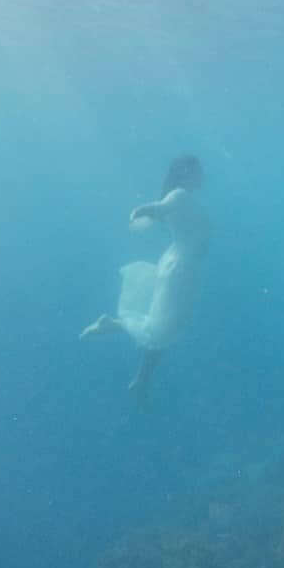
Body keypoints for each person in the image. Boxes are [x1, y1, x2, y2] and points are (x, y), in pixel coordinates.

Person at [80, 154, 211, 401]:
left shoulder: (183, 197)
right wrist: (139, 213)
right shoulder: (179, 195)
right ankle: (138, 374)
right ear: (186, 173)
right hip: (181, 269)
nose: (203, 175)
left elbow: (160, 211)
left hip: (186, 268)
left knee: (165, 325)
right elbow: (156, 209)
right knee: (164, 326)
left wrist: (145, 214)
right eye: (198, 171)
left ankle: (137, 372)